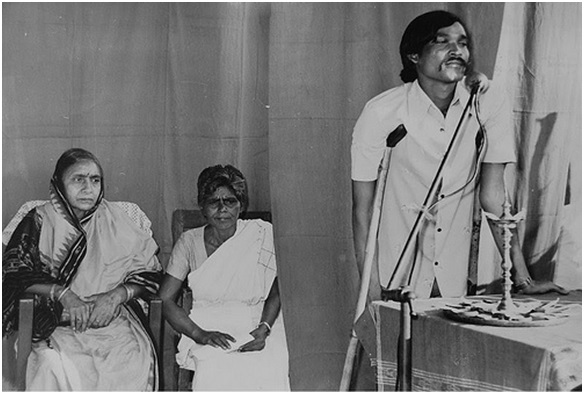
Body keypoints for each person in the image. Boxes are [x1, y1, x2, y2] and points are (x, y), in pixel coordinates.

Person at [351, 10, 567, 299]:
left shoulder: (486, 103)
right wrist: (372, 297)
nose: (457, 51)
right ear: (414, 55)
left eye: (462, 43)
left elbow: (493, 196)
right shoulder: (381, 113)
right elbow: (363, 211)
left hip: (456, 281)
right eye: (442, 42)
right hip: (397, 279)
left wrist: (523, 278)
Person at [2, 148, 163, 390]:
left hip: (111, 321)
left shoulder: (116, 219)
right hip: (55, 323)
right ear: (59, 184)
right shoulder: (39, 219)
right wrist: (64, 295)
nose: (88, 188)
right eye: (78, 179)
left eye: (95, 180)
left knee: (131, 363)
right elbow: (14, 270)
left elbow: (150, 272)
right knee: (49, 366)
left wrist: (115, 297)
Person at [159, 164, 290, 391]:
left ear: (241, 205)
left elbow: (280, 284)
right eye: (213, 202)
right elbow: (165, 299)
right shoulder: (189, 242)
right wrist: (199, 334)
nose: (222, 210)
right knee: (215, 370)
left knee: (271, 364)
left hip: (260, 319)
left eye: (229, 201)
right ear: (202, 206)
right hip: (208, 321)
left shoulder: (261, 233)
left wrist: (264, 328)